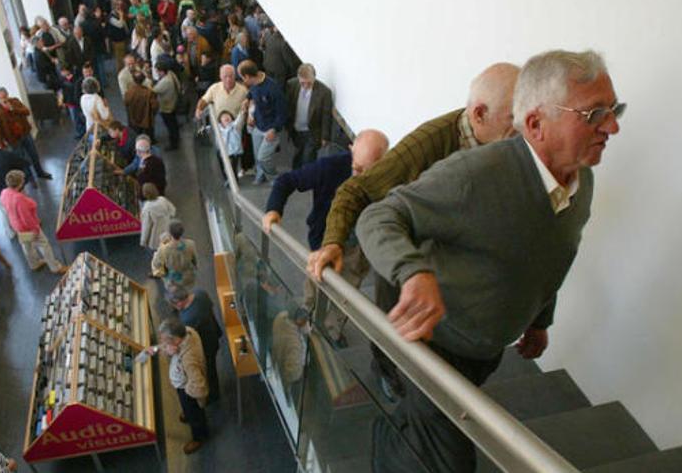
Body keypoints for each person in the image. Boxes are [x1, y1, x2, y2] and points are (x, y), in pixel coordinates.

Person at [357, 50, 623, 473]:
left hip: (485, 350)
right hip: (432, 347)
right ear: (535, 124)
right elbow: (379, 216)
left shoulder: (581, 180)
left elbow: (558, 251)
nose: (612, 126)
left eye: (613, 109)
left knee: (424, 430)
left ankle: (396, 428)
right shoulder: (474, 175)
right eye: (594, 115)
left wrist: (540, 319)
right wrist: (413, 272)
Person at [307, 62, 520, 401]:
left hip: (454, 286)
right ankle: (389, 375)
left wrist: (537, 318)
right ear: (480, 114)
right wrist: (333, 242)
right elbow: (355, 191)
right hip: (407, 271)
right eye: (515, 117)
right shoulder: (429, 144)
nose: (524, 128)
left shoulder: (507, 148)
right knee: (398, 335)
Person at [263, 130, 388, 339]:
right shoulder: (330, 167)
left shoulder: (389, 176)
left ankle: (332, 331)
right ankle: (308, 313)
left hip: (358, 249)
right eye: (356, 169)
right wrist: (273, 209)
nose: (359, 178)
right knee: (314, 281)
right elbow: (286, 180)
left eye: (368, 172)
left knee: (347, 294)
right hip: (323, 242)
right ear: (351, 150)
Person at [148, 318, 208, 454]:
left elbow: (200, 387)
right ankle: (188, 413)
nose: (163, 342)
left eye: (165, 340)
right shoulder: (187, 331)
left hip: (188, 390)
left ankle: (199, 437)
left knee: (195, 415)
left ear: (175, 340)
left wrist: (187, 392)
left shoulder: (188, 359)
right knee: (189, 411)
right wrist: (162, 348)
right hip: (184, 384)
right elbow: (171, 345)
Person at [0, 170, 68, 274]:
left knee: (26, 245)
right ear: (20, 183)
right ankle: (55, 267)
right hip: (27, 227)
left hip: (16, 225)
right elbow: (26, 218)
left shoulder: (4, 192)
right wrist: (35, 229)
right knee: (44, 245)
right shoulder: (19, 199)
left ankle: (34, 264)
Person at [167, 286, 223, 403]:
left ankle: (212, 395)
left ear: (179, 301)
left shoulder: (188, 319)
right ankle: (213, 392)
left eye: (175, 304)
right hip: (213, 335)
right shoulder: (200, 292)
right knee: (212, 368)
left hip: (205, 346)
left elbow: (185, 337)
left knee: (208, 370)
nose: (175, 308)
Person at [239, 59, 287, 184]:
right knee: (257, 156)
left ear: (248, 76)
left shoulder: (273, 88)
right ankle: (260, 176)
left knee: (263, 157)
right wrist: (246, 100)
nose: (243, 81)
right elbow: (252, 93)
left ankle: (275, 178)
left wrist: (274, 129)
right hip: (257, 126)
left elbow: (282, 113)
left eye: (243, 78)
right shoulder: (254, 84)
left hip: (270, 129)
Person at [0, 87, 53, 180]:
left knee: (34, 154)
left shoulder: (15, 101)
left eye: (4, 97)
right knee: (21, 159)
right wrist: (1, 142)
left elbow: (26, 111)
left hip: (25, 133)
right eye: (0, 98)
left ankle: (40, 172)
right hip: (13, 139)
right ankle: (29, 177)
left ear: (7, 95)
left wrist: (13, 109)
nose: (3, 100)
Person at [286, 63, 334, 168]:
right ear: (298, 79)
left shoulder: (324, 92)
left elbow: (326, 116)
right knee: (297, 157)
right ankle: (296, 180)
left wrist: (325, 136)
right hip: (296, 130)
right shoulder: (291, 85)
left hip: (312, 131)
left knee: (308, 159)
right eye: (303, 83)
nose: (306, 86)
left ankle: (306, 182)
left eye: (309, 83)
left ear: (314, 78)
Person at [152, 220, 197, 292]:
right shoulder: (191, 244)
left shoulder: (163, 249)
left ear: (170, 234)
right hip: (188, 277)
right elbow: (195, 261)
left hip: (172, 280)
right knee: (188, 293)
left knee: (175, 297)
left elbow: (156, 264)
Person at [152, 62, 182, 150]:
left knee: (170, 125)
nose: (157, 73)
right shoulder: (171, 74)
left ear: (162, 71)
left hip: (167, 106)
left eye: (158, 71)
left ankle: (173, 144)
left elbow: (154, 90)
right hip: (173, 102)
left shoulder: (165, 81)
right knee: (174, 123)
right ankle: (176, 138)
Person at [140, 182, 175, 250]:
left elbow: (146, 227)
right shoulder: (163, 200)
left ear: (145, 194)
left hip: (155, 238)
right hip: (167, 231)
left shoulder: (147, 208)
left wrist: (143, 242)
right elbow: (173, 211)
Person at [124, 71, 159, 139]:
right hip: (147, 118)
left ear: (133, 80)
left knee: (136, 135)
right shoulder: (149, 92)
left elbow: (126, 103)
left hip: (134, 118)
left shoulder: (129, 92)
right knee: (149, 134)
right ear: (144, 79)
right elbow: (155, 106)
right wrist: (153, 114)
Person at [58, 64, 86, 139]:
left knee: (76, 119)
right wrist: (64, 101)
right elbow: (64, 92)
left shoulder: (76, 79)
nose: (61, 73)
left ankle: (82, 133)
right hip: (70, 103)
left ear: (67, 71)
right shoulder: (63, 79)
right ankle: (82, 132)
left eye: (62, 71)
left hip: (75, 103)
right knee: (77, 119)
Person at [215, 109, 244, 178]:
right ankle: (226, 178)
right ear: (220, 120)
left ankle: (234, 179)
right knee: (223, 167)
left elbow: (239, 120)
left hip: (234, 152)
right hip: (223, 151)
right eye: (223, 116)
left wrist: (242, 112)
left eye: (228, 116)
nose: (226, 117)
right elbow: (208, 129)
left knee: (233, 167)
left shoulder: (235, 126)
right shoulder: (218, 128)